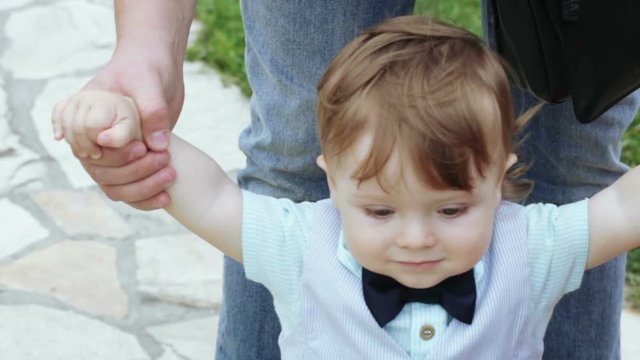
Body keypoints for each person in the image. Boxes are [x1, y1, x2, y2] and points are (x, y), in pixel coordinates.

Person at [72, 1, 640, 359]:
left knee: (578, 162)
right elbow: (211, 194)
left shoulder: (530, 249)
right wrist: (129, 127)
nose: (416, 238)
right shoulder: (301, 244)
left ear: (500, 178)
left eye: (450, 210)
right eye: (380, 211)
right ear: (333, 178)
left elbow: (619, 211)